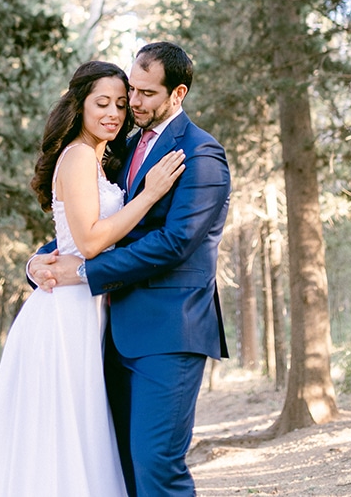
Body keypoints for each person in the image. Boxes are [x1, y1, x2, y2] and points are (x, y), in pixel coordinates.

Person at [0, 60, 185, 497]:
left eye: (122, 104)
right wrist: (150, 195)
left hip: (88, 305)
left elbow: (67, 242)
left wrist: (34, 262)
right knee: (59, 432)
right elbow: (86, 242)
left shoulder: (103, 161)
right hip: (65, 313)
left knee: (79, 431)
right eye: (101, 102)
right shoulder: (80, 155)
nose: (114, 113)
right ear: (78, 105)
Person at [28, 41, 231, 497]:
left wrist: (79, 273)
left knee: (156, 464)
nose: (132, 103)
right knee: (118, 467)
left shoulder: (201, 154)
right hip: (109, 330)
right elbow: (97, 225)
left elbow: (174, 243)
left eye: (144, 94)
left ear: (177, 94)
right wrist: (40, 262)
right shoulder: (126, 147)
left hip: (170, 331)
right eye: (129, 92)